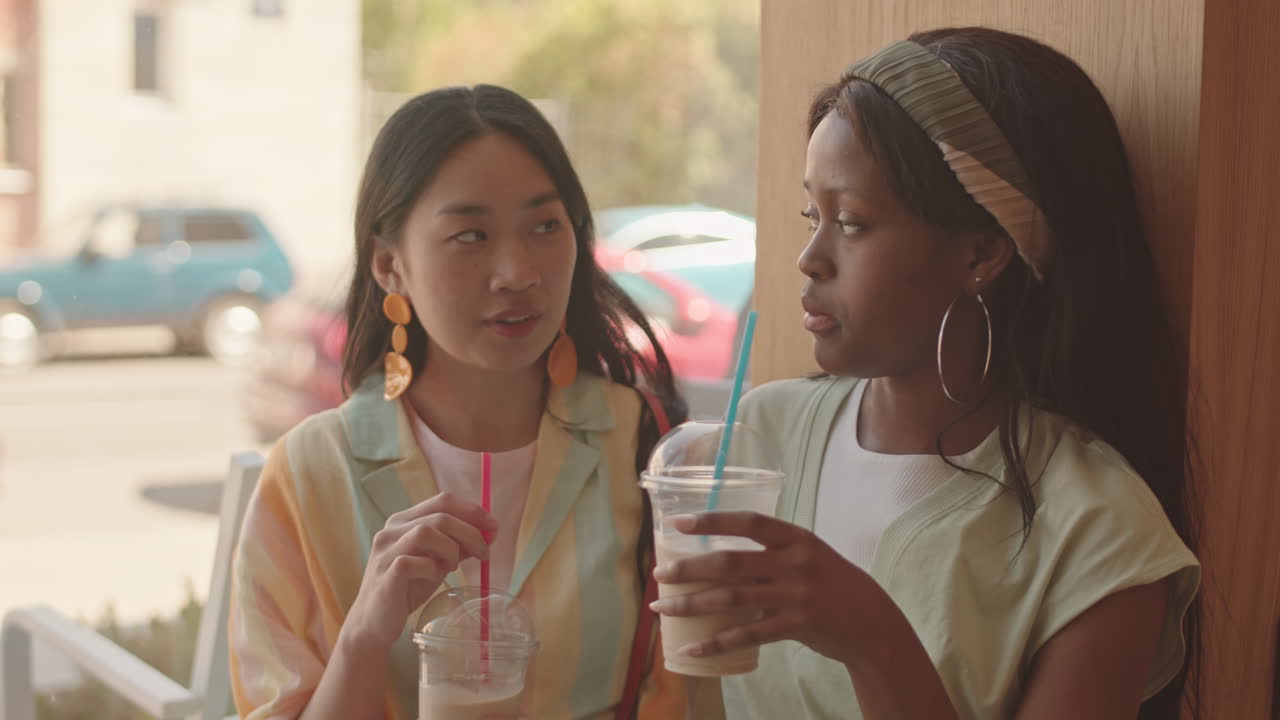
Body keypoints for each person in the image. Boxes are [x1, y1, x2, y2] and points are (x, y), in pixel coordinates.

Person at [649, 27, 1201, 720]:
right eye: (810, 214)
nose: (810, 257)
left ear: (980, 254)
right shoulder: (762, 434)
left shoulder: (1099, 531)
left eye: (850, 222)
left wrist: (873, 638)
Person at [229, 85, 702, 720]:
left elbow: (689, 697)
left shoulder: (646, 447)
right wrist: (367, 632)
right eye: (470, 235)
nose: (517, 271)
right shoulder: (308, 475)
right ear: (390, 266)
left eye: (544, 226)